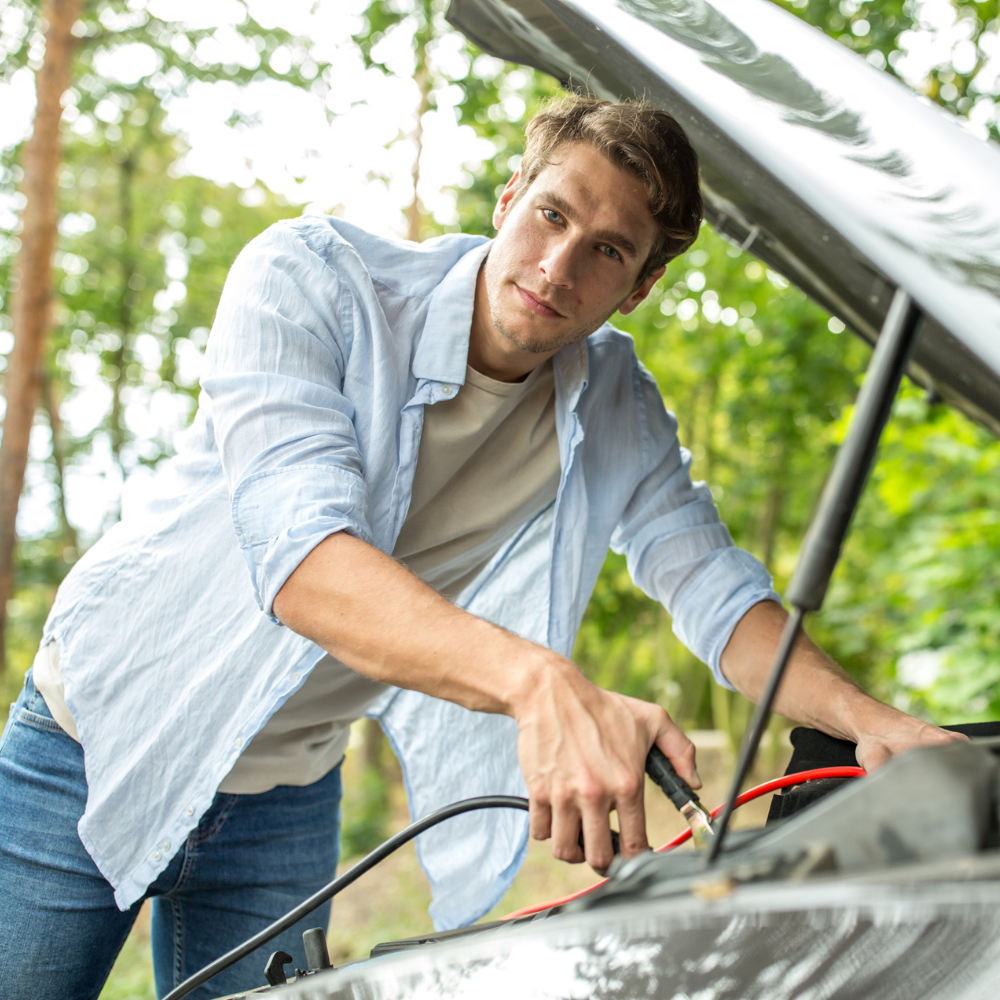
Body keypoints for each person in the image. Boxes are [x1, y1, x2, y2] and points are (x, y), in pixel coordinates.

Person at [0, 97, 962, 999]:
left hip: (288, 790)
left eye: (607, 250)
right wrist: (541, 685)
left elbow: (716, 589)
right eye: (551, 215)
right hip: (100, 734)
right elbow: (303, 564)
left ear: (641, 287)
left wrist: (870, 720)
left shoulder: (617, 399)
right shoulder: (312, 279)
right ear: (509, 198)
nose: (557, 266)